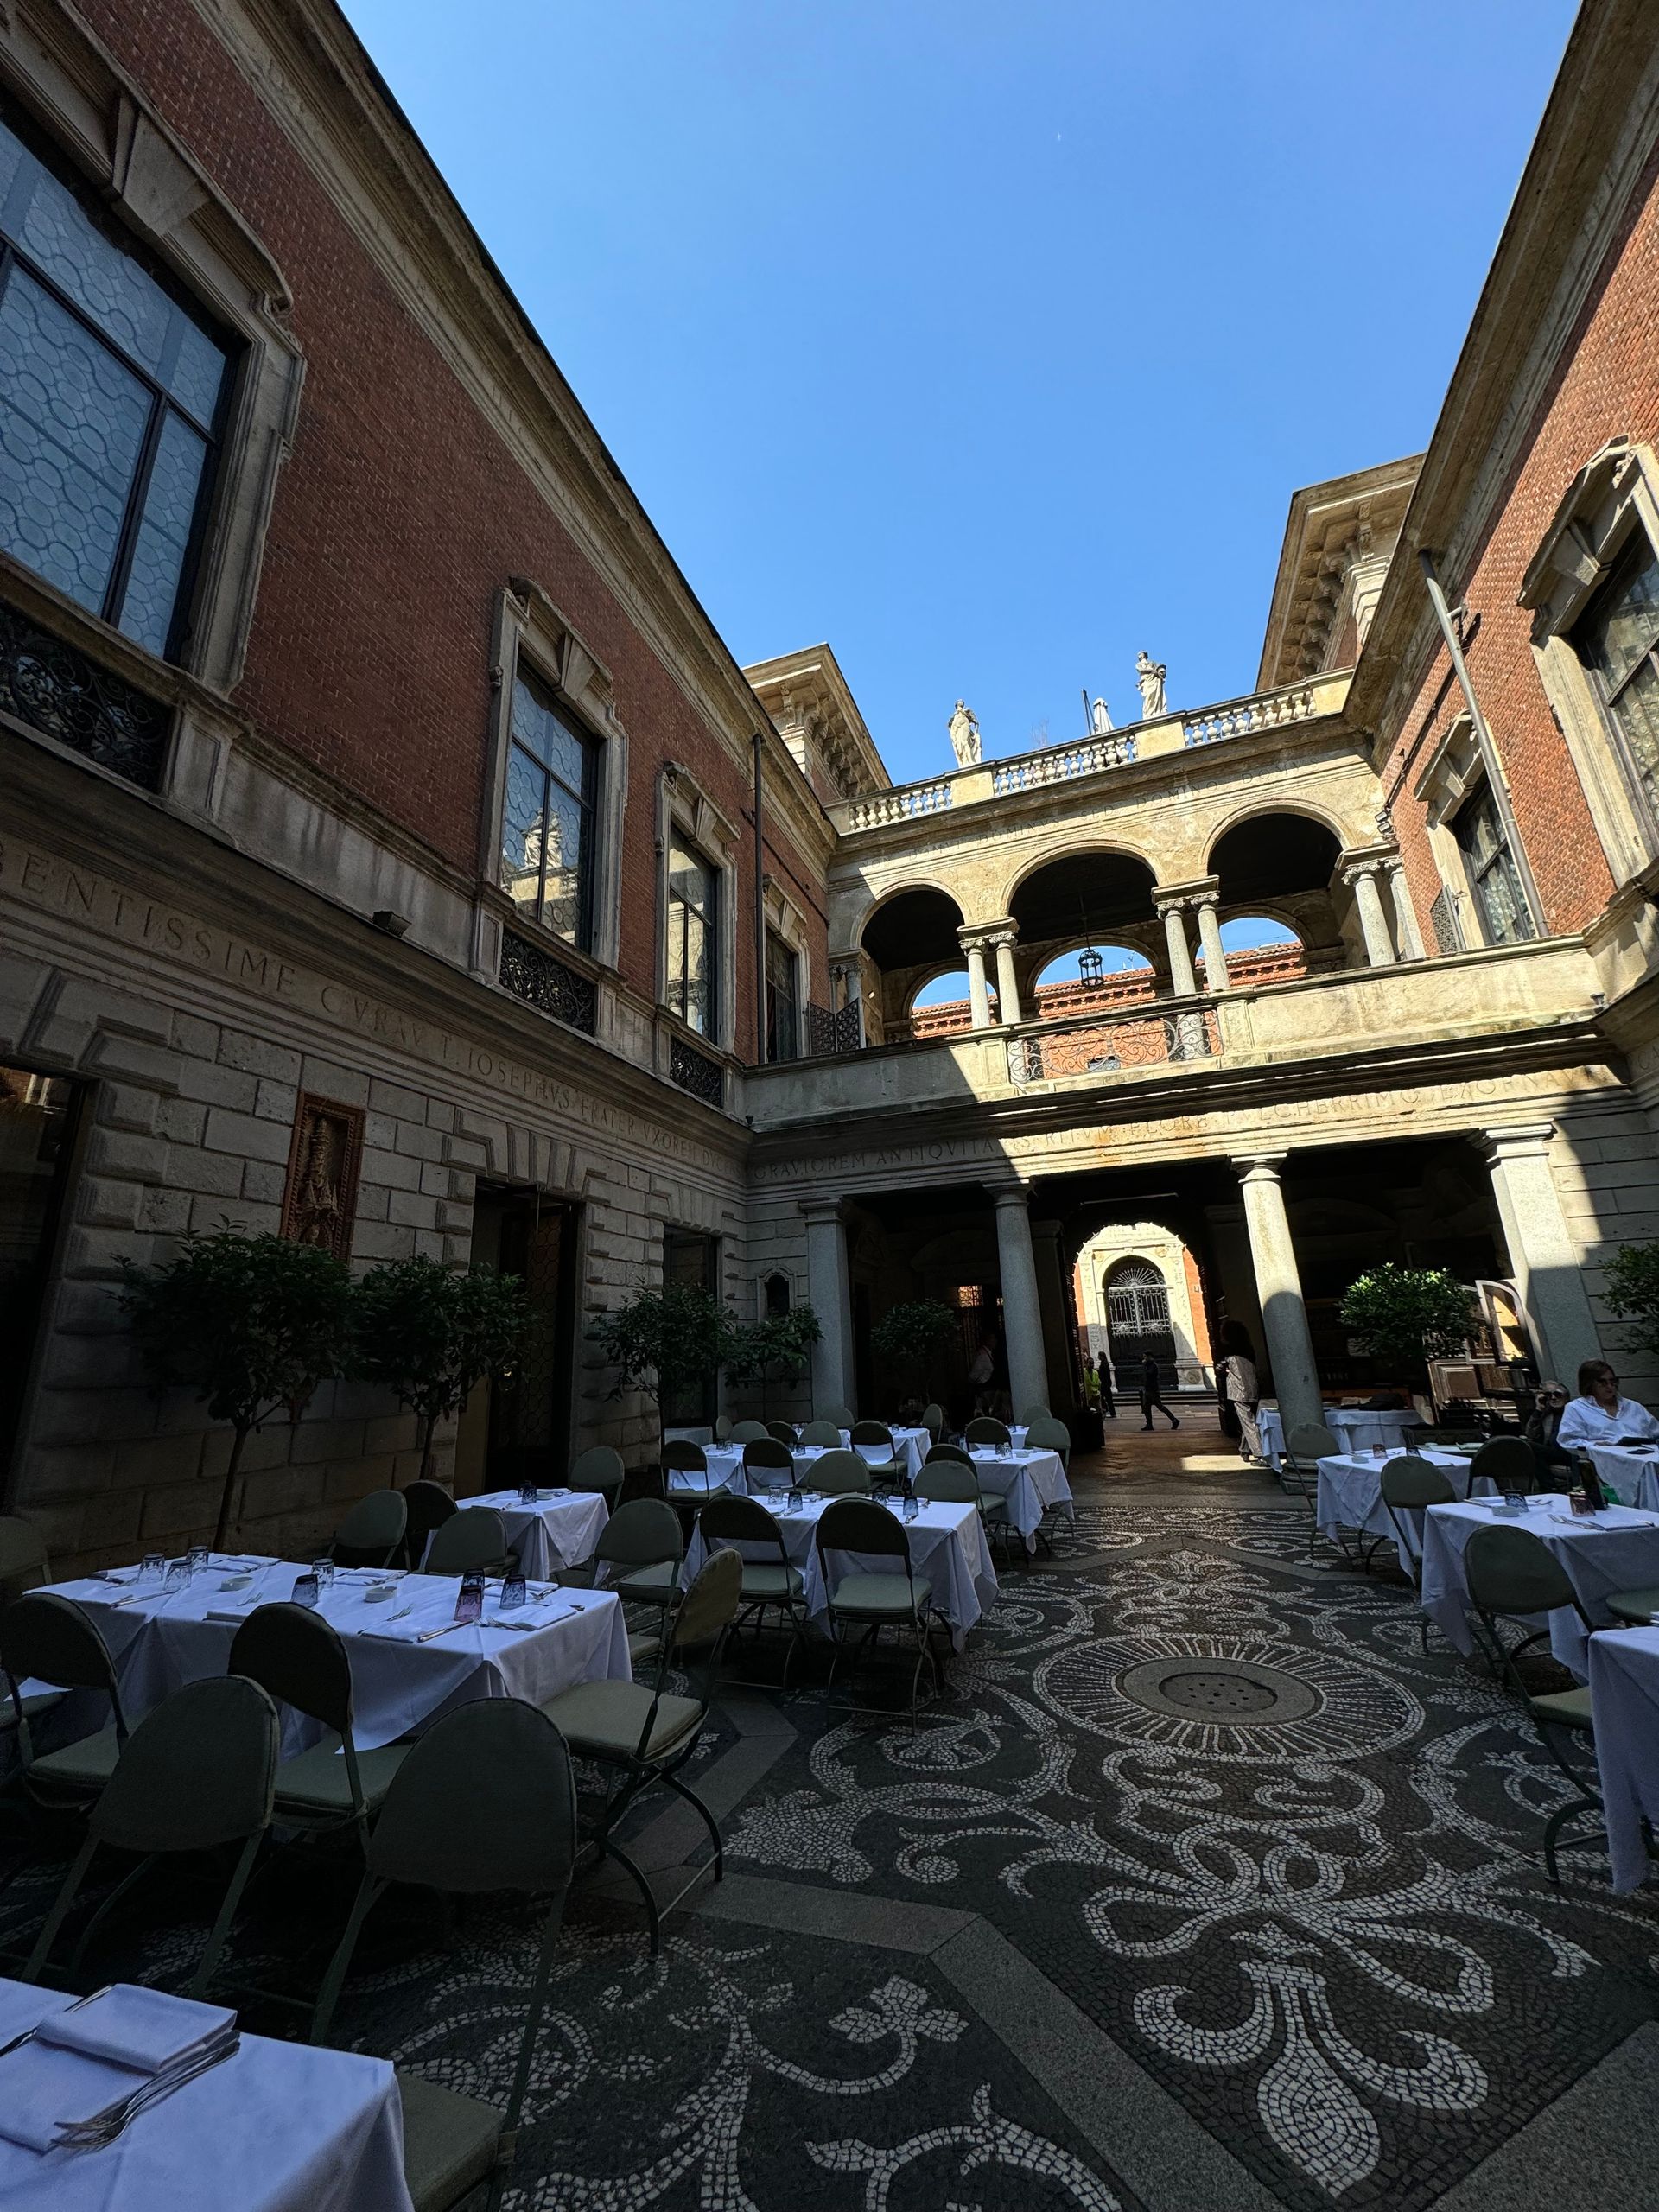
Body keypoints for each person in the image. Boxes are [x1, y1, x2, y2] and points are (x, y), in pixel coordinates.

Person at [1554, 1360, 1659, 1450]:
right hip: (1603, 1463)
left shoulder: (1634, 1406)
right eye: (1602, 1382)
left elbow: (1656, 1432)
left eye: (1613, 1381)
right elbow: (1568, 1440)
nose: (1609, 1387)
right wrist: (1595, 1446)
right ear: (1589, 1384)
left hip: (1646, 1459)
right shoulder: (1576, 1408)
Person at [1217, 1321, 1260, 1461]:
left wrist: (1227, 1371)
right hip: (1253, 1388)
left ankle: (1261, 1454)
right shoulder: (1249, 1349)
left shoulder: (1229, 1353)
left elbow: (1219, 1368)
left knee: (1248, 1422)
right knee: (1247, 1419)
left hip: (1238, 1391)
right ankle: (1244, 1450)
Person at [1524, 1380, 1573, 1487]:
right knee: (1528, 1448)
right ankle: (1549, 1487)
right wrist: (1538, 1409)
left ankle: (1548, 1487)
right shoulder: (1548, 1414)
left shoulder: (1574, 1410)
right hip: (1555, 1453)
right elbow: (1530, 1434)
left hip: (1572, 1452)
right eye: (1548, 1395)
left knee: (1531, 1448)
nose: (1553, 1398)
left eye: (1557, 1394)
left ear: (1566, 1396)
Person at [1140, 1352, 1179, 1431]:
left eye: (1145, 1357)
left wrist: (1144, 1366)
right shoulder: (1149, 1365)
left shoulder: (1153, 1365)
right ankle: (1149, 1424)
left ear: (1149, 1356)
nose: (1144, 1359)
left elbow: (1149, 1374)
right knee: (1147, 1407)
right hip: (1148, 1389)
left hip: (1153, 1390)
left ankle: (1174, 1420)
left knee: (1160, 1406)